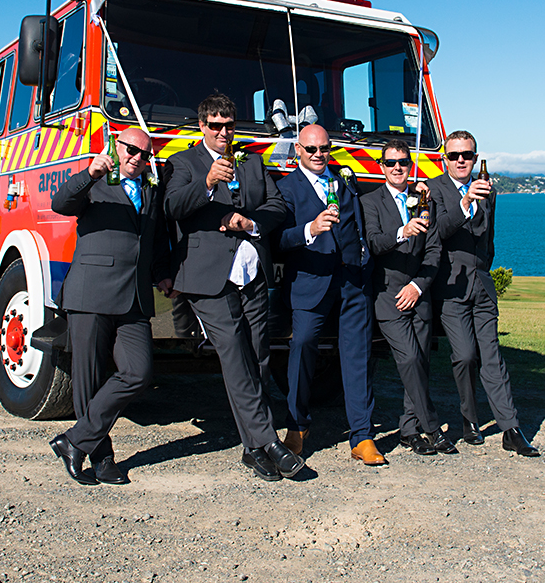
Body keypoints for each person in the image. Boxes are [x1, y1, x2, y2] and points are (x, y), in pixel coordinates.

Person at [164, 93, 303, 482]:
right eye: (215, 125)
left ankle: (251, 449)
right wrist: (207, 183)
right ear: (201, 126)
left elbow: (278, 207)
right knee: (234, 356)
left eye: (228, 125)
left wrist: (251, 223)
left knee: (258, 355)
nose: (223, 132)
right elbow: (173, 207)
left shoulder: (253, 162)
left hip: (251, 271)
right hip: (207, 277)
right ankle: (269, 441)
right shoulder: (184, 162)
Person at [49, 127, 174, 485]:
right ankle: (102, 458)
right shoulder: (94, 181)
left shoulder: (151, 191)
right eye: (131, 149)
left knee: (138, 372)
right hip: (91, 293)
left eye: (145, 154)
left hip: (133, 297)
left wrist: (162, 273)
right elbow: (61, 204)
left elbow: (155, 240)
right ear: (116, 147)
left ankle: (74, 441)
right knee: (88, 380)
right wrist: (90, 174)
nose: (137, 157)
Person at [276, 124, 384, 466]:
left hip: (352, 280)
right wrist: (309, 229)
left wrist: (363, 257)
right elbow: (277, 239)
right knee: (302, 346)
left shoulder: (342, 183)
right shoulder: (285, 188)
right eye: (311, 149)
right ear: (298, 150)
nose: (319, 155)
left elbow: (356, 226)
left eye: (324, 149)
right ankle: (296, 427)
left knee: (358, 354)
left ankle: (363, 436)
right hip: (310, 281)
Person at [426, 130, 539, 457]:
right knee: (464, 355)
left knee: (492, 357)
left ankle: (511, 428)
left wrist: (484, 271)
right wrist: (464, 204)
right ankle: (469, 417)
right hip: (450, 283)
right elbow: (439, 232)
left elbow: (488, 240)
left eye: (467, 155)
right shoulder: (434, 189)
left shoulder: (489, 191)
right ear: (444, 158)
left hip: (481, 282)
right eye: (454, 155)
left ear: (476, 158)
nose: (461, 161)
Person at [363, 140, 457, 456]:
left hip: (419, 294)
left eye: (403, 162)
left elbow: (434, 251)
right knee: (409, 358)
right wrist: (403, 231)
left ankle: (409, 430)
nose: (398, 168)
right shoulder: (370, 202)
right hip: (388, 295)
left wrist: (418, 286)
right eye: (391, 163)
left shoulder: (423, 200)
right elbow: (374, 244)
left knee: (420, 364)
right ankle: (432, 428)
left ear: (409, 165)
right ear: (381, 167)